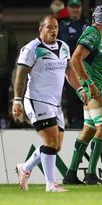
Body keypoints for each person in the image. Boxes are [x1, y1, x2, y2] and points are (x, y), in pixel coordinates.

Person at [14, 15, 87, 192]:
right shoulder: (32, 48)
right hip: (37, 100)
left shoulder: (63, 47)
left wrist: (79, 89)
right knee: (51, 141)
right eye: (49, 27)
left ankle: (24, 168)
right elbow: (20, 76)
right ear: (41, 29)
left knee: (56, 146)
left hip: (55, 104)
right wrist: (17, 100)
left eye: (55, 27)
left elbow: (69, 71)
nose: (53, 30)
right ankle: (50, 184)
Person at [63, 5, 102, 185]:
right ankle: (91, 174)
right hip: (95, 88)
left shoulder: (96, 36)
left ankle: (70, 174)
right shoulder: (93, 33)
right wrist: (89, 84)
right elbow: (75, 59)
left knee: (90, 129)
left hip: (96, 87)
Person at [58, 0, 89, 128]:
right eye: (72, 7)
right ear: (68, 9)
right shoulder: (62, 24)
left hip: (86, 67)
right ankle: (73, 123)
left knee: (87, 96)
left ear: (81, 9)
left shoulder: (87, 23)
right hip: (69, 67)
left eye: (77, 7)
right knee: (72, 96)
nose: (75, 10)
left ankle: (88, 123)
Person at [0, 3, 18, 129]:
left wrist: (9, 67)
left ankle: (3, 119)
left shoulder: (7, 31)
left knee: (3, 97)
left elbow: (13, 49)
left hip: (3, 72)